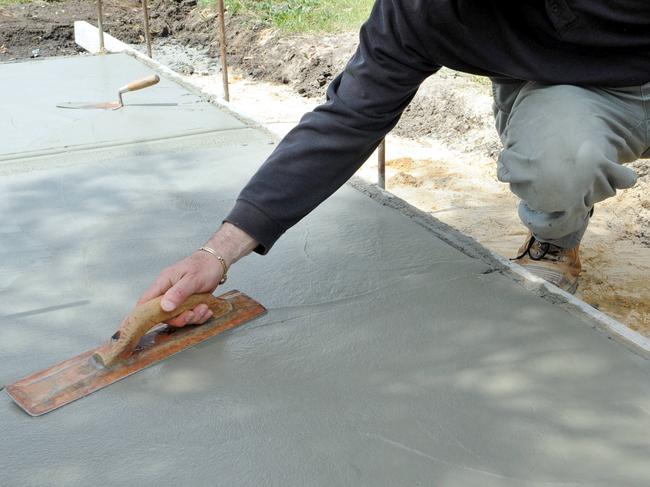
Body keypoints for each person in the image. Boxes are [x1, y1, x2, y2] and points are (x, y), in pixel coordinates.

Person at [139, 0, 650, 326]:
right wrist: (218, 252)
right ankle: (556, 241)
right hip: (561, 85)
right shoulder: (423, 10)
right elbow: (348, 118)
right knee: (557, 160)